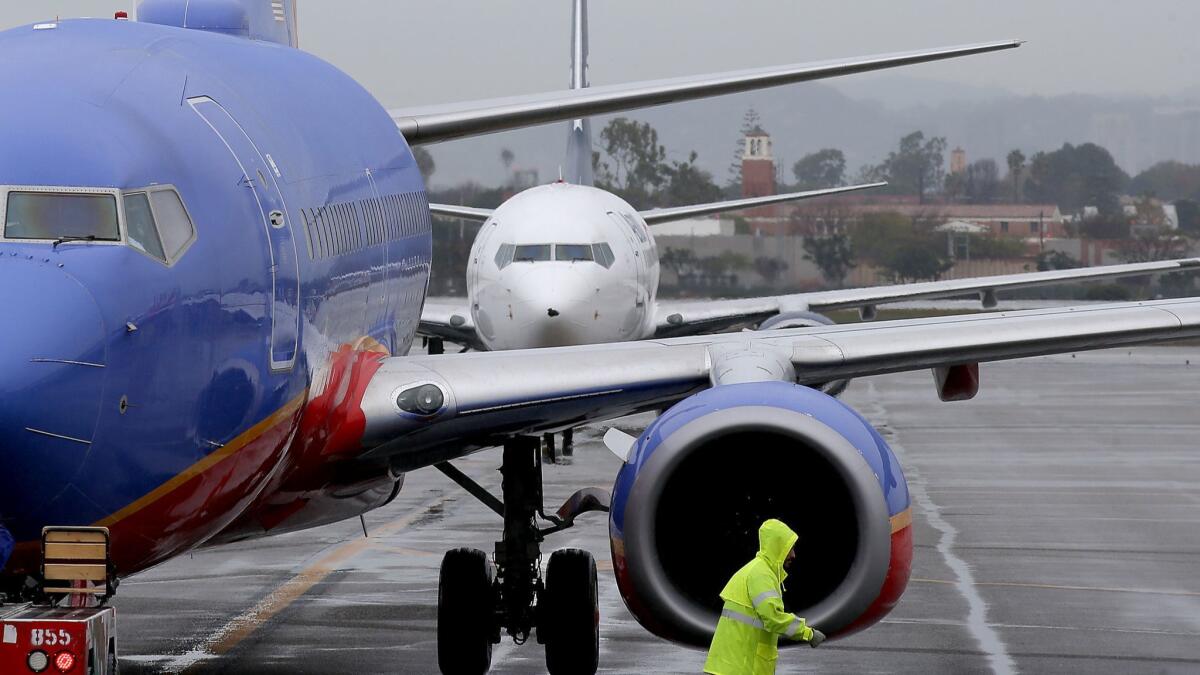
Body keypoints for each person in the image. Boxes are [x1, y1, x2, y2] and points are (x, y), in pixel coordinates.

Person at [703, 518, 825, 675]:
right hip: (741, 667)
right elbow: (773, 618)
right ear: (778, 547)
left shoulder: (756, 570)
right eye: (790, 548)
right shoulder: (762, 575)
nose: (793, 555)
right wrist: (808, 633)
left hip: (731, 665)